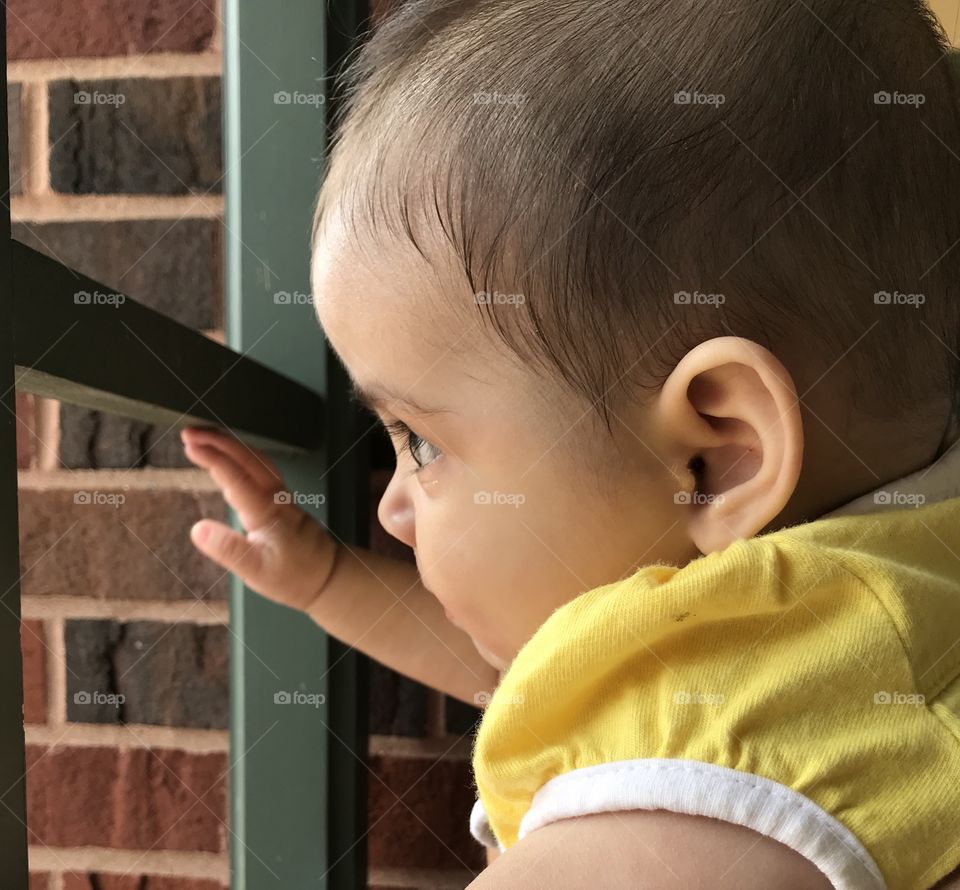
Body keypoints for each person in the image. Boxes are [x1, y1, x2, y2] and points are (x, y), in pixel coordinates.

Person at [183, 0, 960, 886]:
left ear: (714, 459)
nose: (392, 506)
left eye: (422, 442)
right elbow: (555, 676)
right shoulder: (877, 600)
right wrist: (328, 580)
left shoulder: (692, 813)